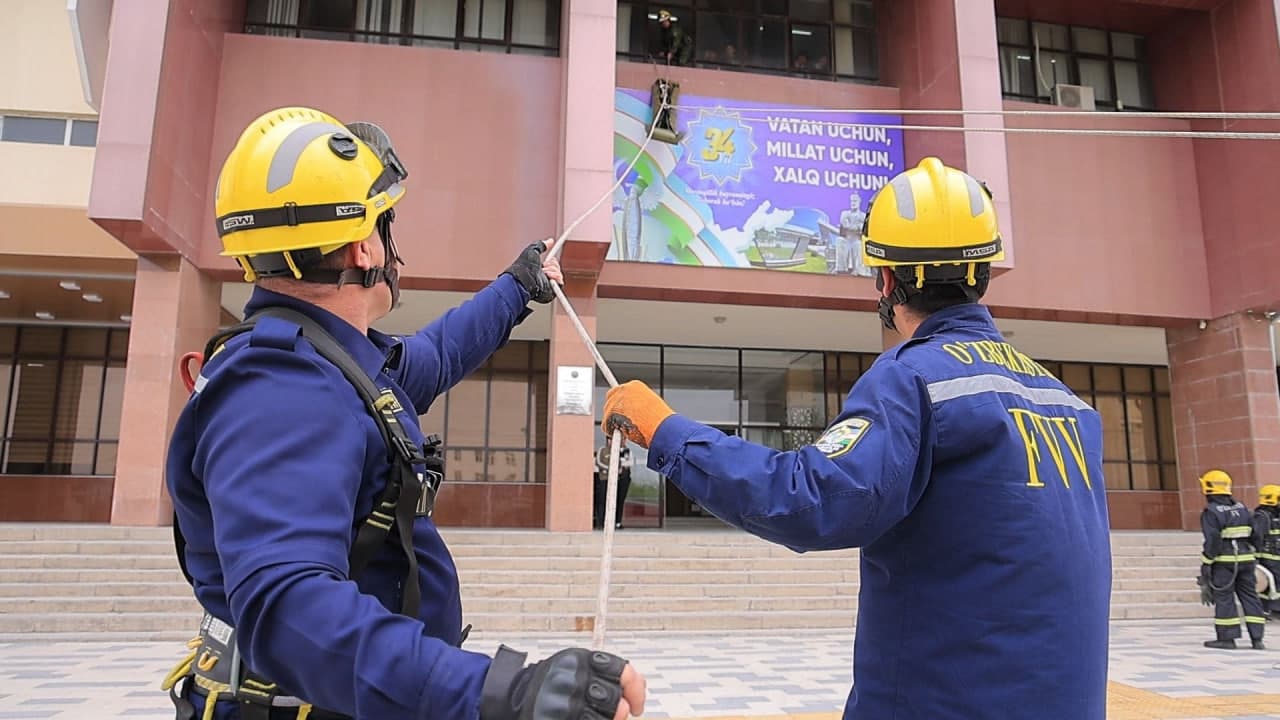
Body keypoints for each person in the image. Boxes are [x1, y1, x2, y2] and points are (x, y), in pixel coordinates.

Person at [162, 106, 646, 720]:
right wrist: (501, 693)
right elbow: (288, 608)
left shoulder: (330, 362)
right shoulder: (280, 389)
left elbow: (438, 355)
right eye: (385, 221)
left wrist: (519, 285)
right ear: (365, 246)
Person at [602, 157, 1113, 718]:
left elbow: (810, 499)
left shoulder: (912, 380)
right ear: (984, 273)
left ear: (885, 280)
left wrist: (667, 432)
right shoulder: (1068, 404)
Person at [1197, 469, 1267, 649]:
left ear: (1208, 488)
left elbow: (1213, 540)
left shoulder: (1211, 511)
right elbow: (1256, 534)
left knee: (1225, 598)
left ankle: (1227, 639)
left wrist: (1207, 562)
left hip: (1224, 563)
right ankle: (1257, 639)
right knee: (1250, 597)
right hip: (1246, 561)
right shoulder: (1242, 508)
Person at [1251, 484, 1280, 618]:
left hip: (1276, 558)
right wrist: (1256, 557)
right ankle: (1268, 609)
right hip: (1268, 558)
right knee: (1269, 584)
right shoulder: (1262, 516)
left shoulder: (1275, 515)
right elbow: (1257, 537)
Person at [593, 443, 633, 529]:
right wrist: (611, 468)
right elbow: (598, 462)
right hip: (604, 478)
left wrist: (620, 466)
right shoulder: (603, 450)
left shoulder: (626, 451)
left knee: (618, 500)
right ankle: (601, 522)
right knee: (602, 500)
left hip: (619, 478)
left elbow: (629, 463)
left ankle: (617, 522)